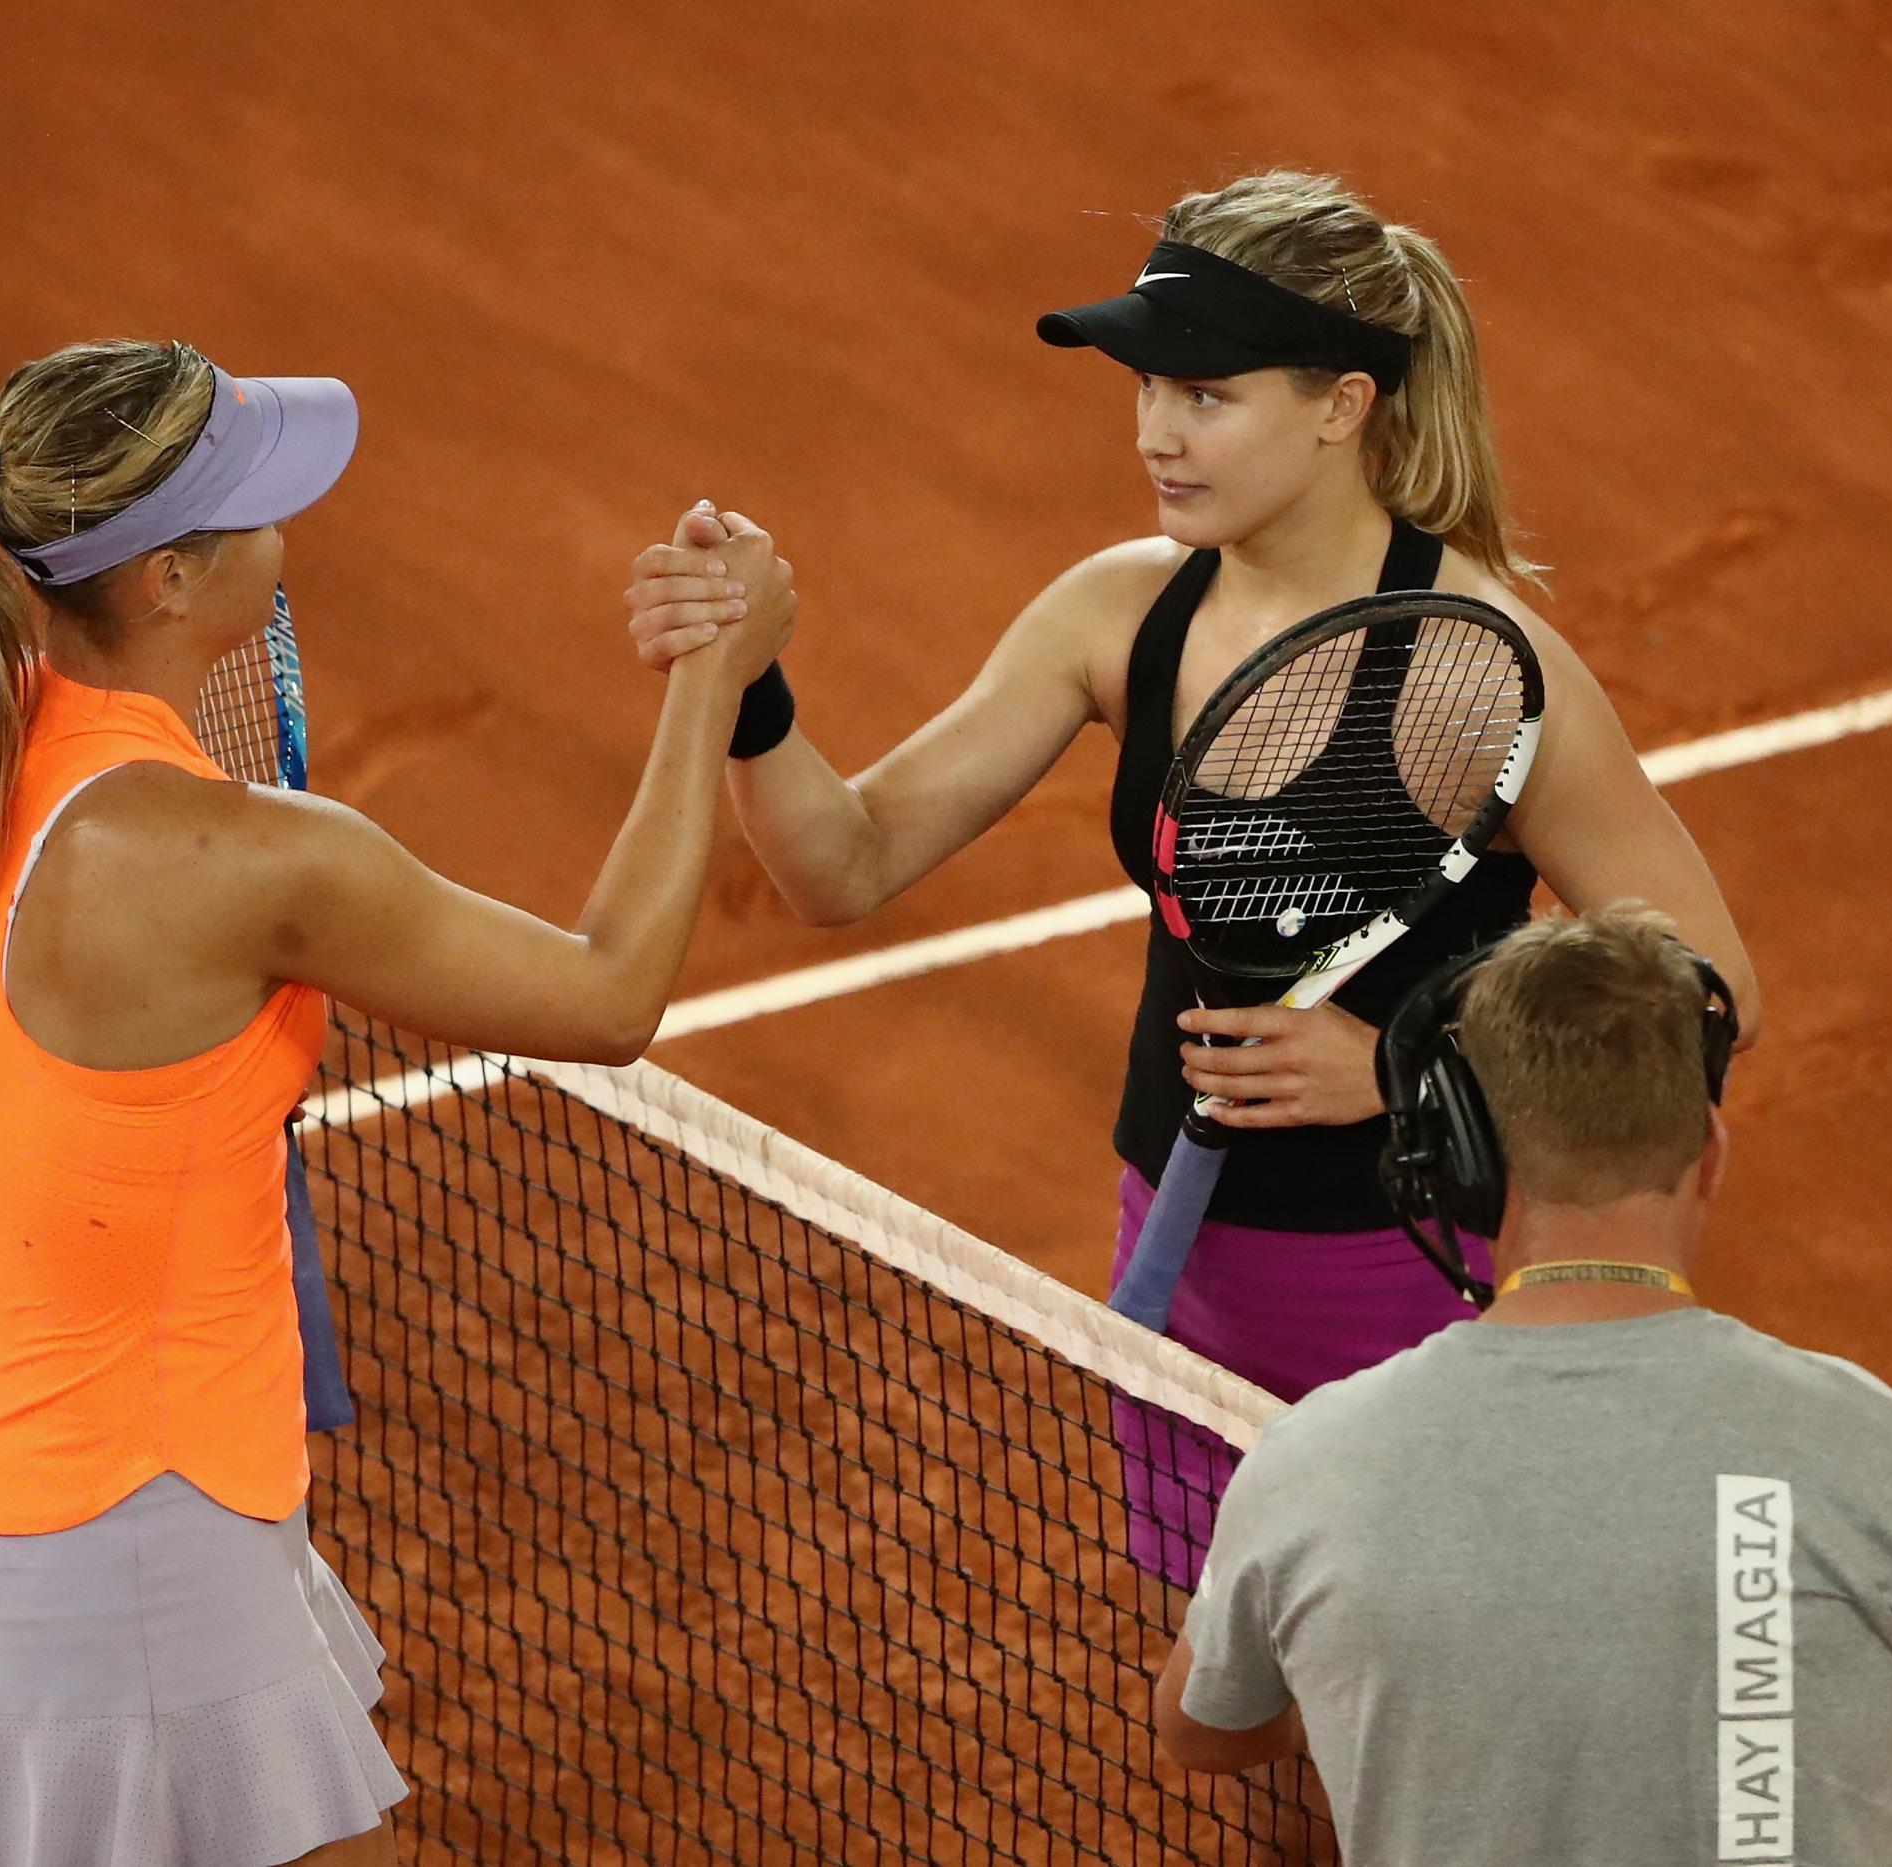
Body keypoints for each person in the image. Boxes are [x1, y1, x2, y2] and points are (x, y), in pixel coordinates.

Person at [621, 169, 1761, 1597]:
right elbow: (843, 864)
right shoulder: (1120, 612)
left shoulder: (1475, 666)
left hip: (1413, 1277)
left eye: (1206, 395)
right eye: (1147, 387)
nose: (1157, 432)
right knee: (1238, 1709)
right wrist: (747, 688)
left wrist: (1412, 1063)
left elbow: (1708, 986)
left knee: (1400, 1709)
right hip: (1175, 1245)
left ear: (1342, 403)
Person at [0, 338, 794, 1867]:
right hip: (146, 1564)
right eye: (262, 506)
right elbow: (609, 994)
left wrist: (125, 1134)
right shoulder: (260, 859)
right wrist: (714, 670)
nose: (296, 530)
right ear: (167, 580)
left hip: (58, 1529)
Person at [1155, 906, 1892, 1864]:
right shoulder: (1873, 1446)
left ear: (1463, 1166)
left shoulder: (1312, 1463)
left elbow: (1206, 1727)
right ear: (1711, 1153)